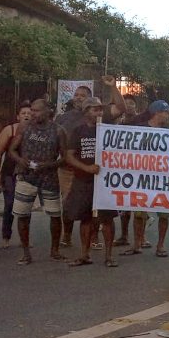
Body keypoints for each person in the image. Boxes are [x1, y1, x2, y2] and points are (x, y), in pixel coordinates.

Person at [8, 98, 67, 265]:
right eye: (32, 110)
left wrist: (48, 164)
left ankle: (55, 250)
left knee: (55, 215)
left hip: (49, 178)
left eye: (37, 111)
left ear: (48, 111)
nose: (33, 114)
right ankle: (26, 252)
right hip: (26, 177)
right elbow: (12, 150)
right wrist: (20, 160)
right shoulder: (25, 127)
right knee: (23, 214)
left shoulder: (58, 131)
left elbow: (65, 157)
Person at [64, 97, 119, 267]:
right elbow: (69, 156)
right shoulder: (78, 131)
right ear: (86, 112)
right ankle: (85, 254)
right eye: (95, 110)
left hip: (105, 182)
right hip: (84, 180)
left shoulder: (109, 130)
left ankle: (109, 256)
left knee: (107, 219)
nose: (99, 112)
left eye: (101, 109)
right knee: (85, 219)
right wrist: (86, 168)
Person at [121, 100, 169, 257]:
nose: (168, 114)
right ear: (157, 113)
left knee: (164, 213)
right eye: (166, 112)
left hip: (163, 177)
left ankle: (160, 245)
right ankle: (137, 243)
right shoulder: (140, 129)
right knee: (139, 213)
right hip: (143, 177)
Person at [55, 83, 92, 249]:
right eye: (76, 94)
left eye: (83, 95)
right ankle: (67, 235)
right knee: (68, 202)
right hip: (67, 168)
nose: (78, 97)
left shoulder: (95, 117)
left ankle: (92, 237)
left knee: (91, 204)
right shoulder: (62, 118)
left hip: (91, 168)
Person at [0, 100, 32, 249]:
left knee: (25, 207)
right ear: (18, 116)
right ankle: (6, 236)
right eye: (23, 113)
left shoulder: (35, 132)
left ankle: (24, 239)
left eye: (29, 113)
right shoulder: (10, 130)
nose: (26, 115)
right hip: (9, 174)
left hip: (27, 175)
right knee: (9, 205)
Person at [112, 93, 140, 247]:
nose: (128, 105)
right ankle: (124, 235)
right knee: (124, 205)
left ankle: (140, 238)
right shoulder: (118, 125)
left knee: (139, 205)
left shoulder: (141, 122)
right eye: (125, 103)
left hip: (139, 168)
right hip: (123, 168)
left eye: (131, 103)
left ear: (135, 106)